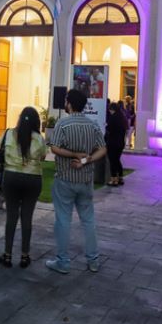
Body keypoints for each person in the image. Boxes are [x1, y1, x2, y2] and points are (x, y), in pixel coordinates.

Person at [45, 89, 107, 274]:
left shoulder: (63, 124)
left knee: (63, 220)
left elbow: (54, 148)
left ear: (69, 103)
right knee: (88, 220)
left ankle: (63, 261)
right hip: (86, 179)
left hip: (65, 178)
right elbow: (103, 149)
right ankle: (93, 260)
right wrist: (85, 160)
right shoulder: (92, 125)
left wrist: (73, 154)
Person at [0, 107, 47, 269]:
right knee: (27, 217)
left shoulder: (8, 134)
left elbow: (1, 149)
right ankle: (25, 255)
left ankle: (7, 254)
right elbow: (43, 156)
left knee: (11, 216)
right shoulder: (38, 138)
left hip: (11, 177)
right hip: (32, 178)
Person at [105, 103, 127, 186]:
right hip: (120, 143)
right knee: (117, 160)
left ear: (112, 109)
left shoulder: (113, 118)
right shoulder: (122, 118)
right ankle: (120, 178)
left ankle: (113, 179)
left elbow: (109, 129)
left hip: (113, 142)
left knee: (112, 161)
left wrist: (106, 126)